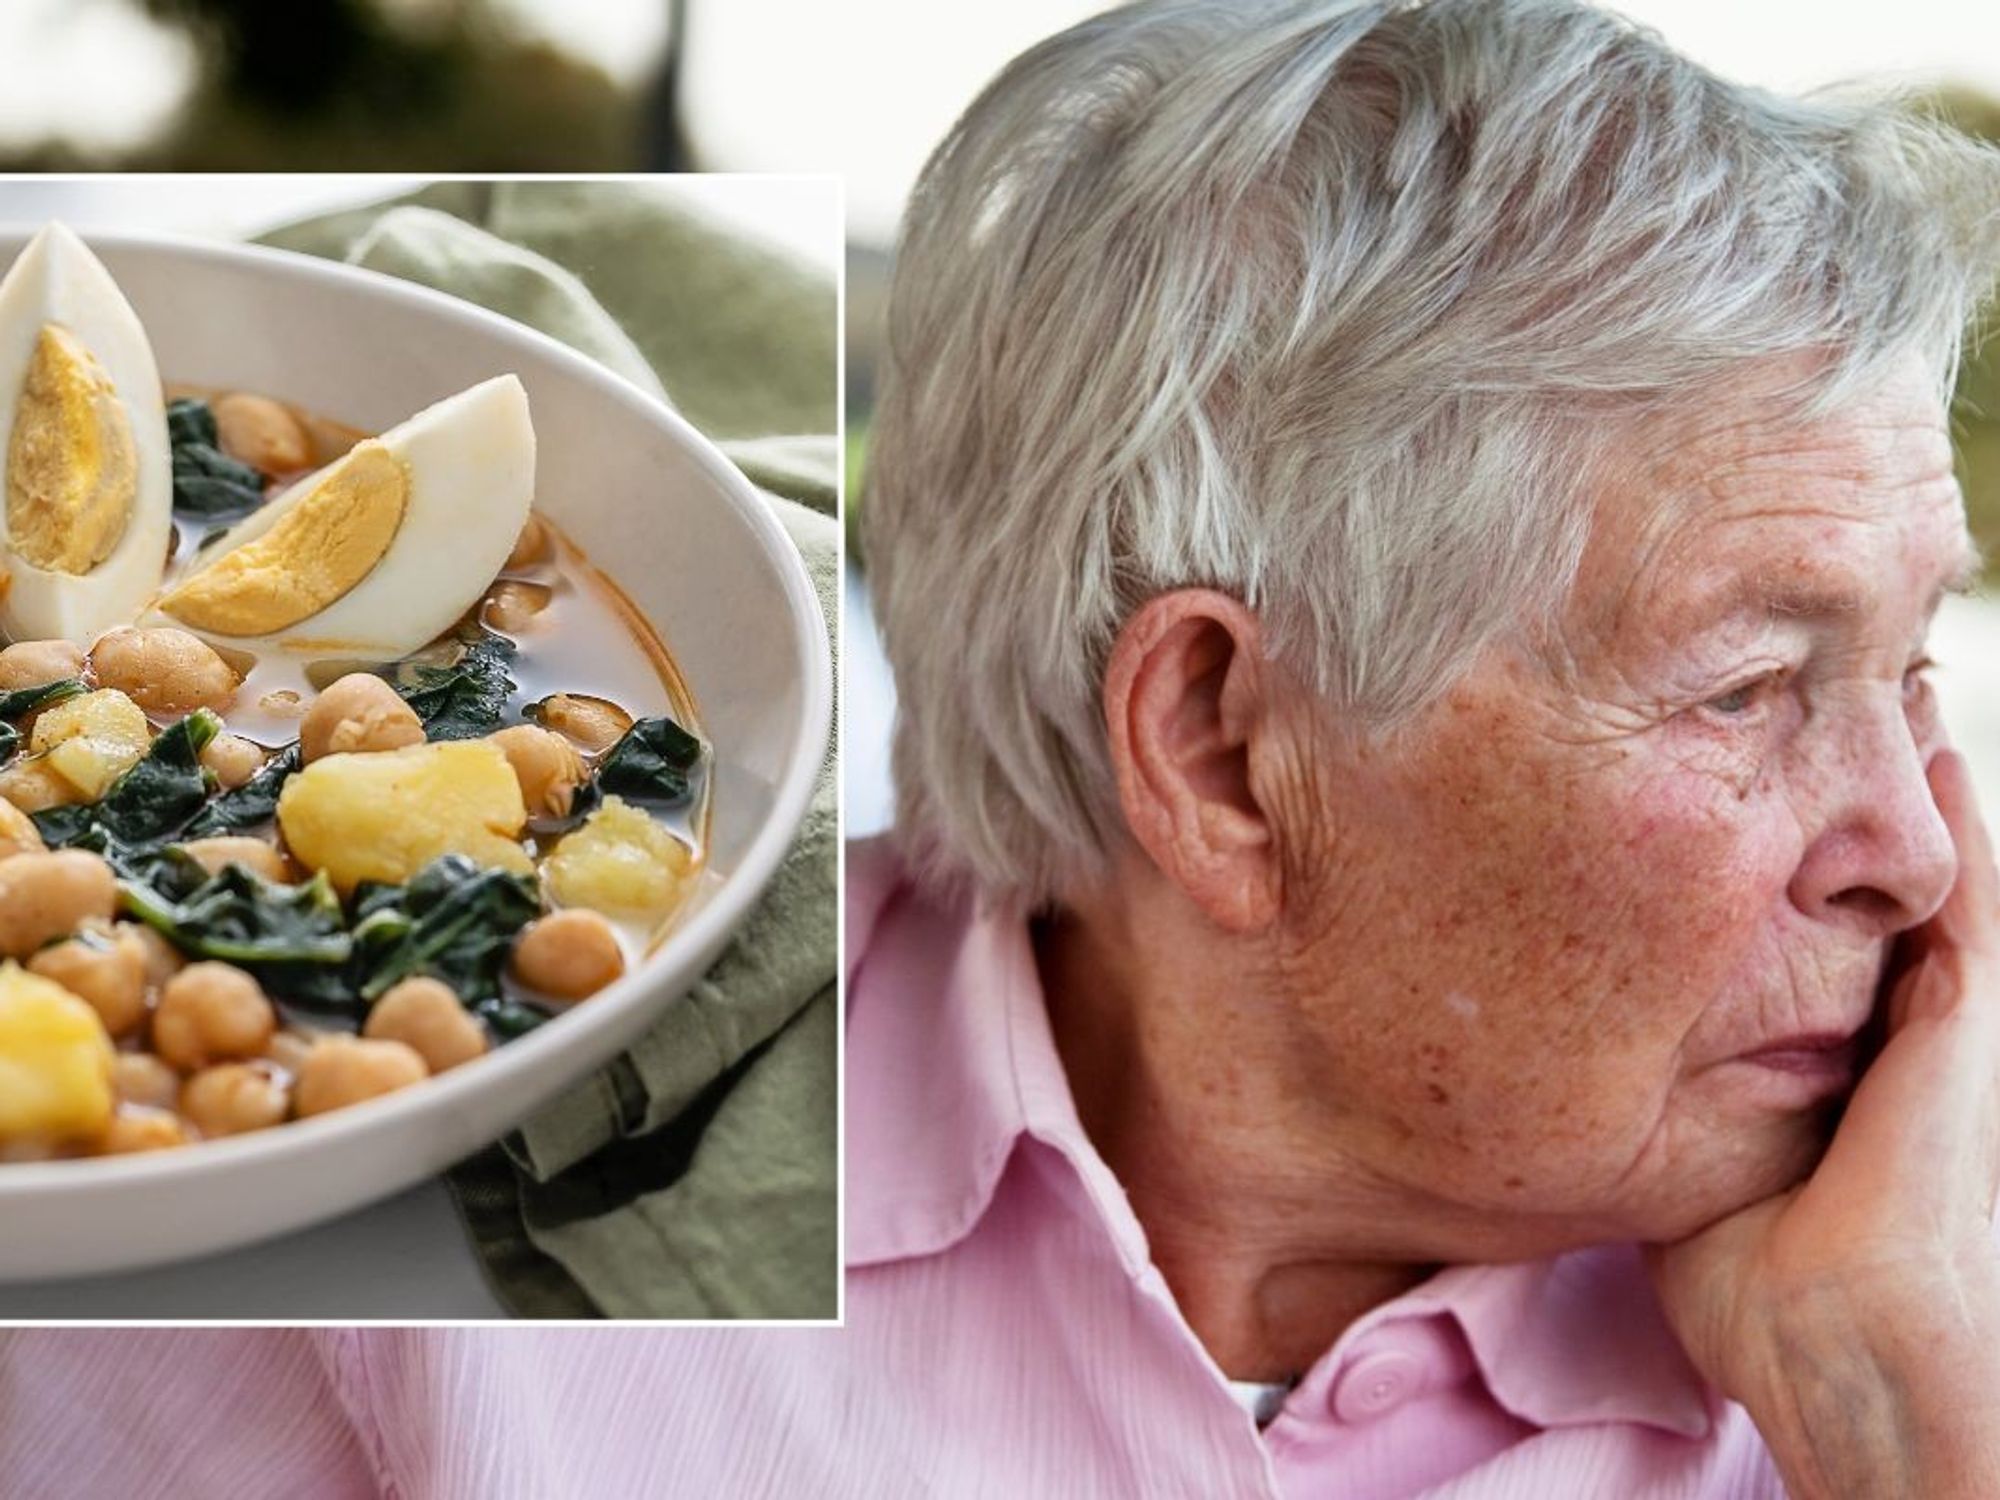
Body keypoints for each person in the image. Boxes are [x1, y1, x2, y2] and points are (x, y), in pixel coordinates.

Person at [8, 2, 2000, 1495]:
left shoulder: (1906, 1325)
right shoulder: (451, 1228)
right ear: (1220, 752)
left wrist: (1910, 1433)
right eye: (1752, 686)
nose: (1916, 849)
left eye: (1914, 660)